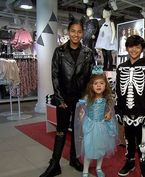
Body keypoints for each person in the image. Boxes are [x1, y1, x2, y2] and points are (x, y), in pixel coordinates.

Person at [39, 16, 95, 177]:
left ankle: (74, 159)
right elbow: (55, 75)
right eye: (73, 31)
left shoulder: (88, 53)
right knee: (61, 131)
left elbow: (91, 78)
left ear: (83, 33)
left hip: (81, 100)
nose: (76, 35)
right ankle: (54, 163)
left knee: (78, 131)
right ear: (68, 32)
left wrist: (86, 99)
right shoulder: (59, 52)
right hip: (63, 99)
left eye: (79, 32)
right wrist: (59, 98)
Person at [115, 35, 145, 177]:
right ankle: (130, 162)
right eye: (131, 46)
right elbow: (118, 91)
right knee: (128, 139)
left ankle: (143, 164)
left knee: (142, 141)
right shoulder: (121, 68)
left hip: (141, 112)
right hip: (126, 111)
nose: (134, 50)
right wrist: (118, 110)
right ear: (126, 48)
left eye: (137, 47)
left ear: (142, 49)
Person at [74, 65, 118, 177]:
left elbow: (110, 108)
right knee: (89, 149)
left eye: (101, 83)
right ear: (91, 85)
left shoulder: (107, 98)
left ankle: (98, 168)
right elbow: (81, 108)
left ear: (105, 85)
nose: (99, 85)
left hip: (102, 126)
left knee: (101, 148)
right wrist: (82, 113)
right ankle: (85, 170)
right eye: (96, 83)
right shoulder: (88, 98)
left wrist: (108, 113)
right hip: (90, 126)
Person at [95, 5, 117, 71]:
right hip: (103, 42)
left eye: (105, 12)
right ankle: (105, 66)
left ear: (108, 13)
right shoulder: (103, 24)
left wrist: (112, 40)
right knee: (104, 55)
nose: (103, 14)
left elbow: (113, 32)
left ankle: (110, 66)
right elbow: (101, 34)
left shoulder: (111, 23)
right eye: (103, 12)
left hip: (109, 41)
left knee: (108, 54)